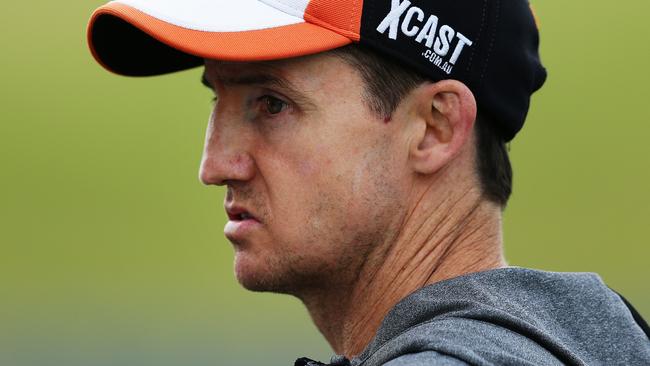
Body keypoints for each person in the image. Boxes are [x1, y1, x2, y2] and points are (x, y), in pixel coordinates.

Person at [86, 0, 650, 364]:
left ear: (434, 128)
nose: (215, 166)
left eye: (272, 104)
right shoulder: (585, 341)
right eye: (219, 97)